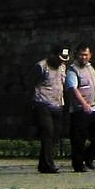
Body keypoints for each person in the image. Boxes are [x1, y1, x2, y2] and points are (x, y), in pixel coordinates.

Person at [66, 43, 95, 170]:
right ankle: (78, 164)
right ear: (76, 55)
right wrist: (84, 104)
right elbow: (73, 89)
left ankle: (88, 157)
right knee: (79, 139)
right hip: (80, 109)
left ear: (90, 55)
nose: (83, 57)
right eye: (81, 54)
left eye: (85, 55)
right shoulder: (73, 70)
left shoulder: (90, 67)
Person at [33, 44, 69, 173]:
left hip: (58, 104)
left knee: (55, 135)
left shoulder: (63, 67)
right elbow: (32, 84)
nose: (61, 61)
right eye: (60, 58)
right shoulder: (41, 66)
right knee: (47, 132)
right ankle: (49, 164)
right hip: (43, 104)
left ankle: (43, 164)